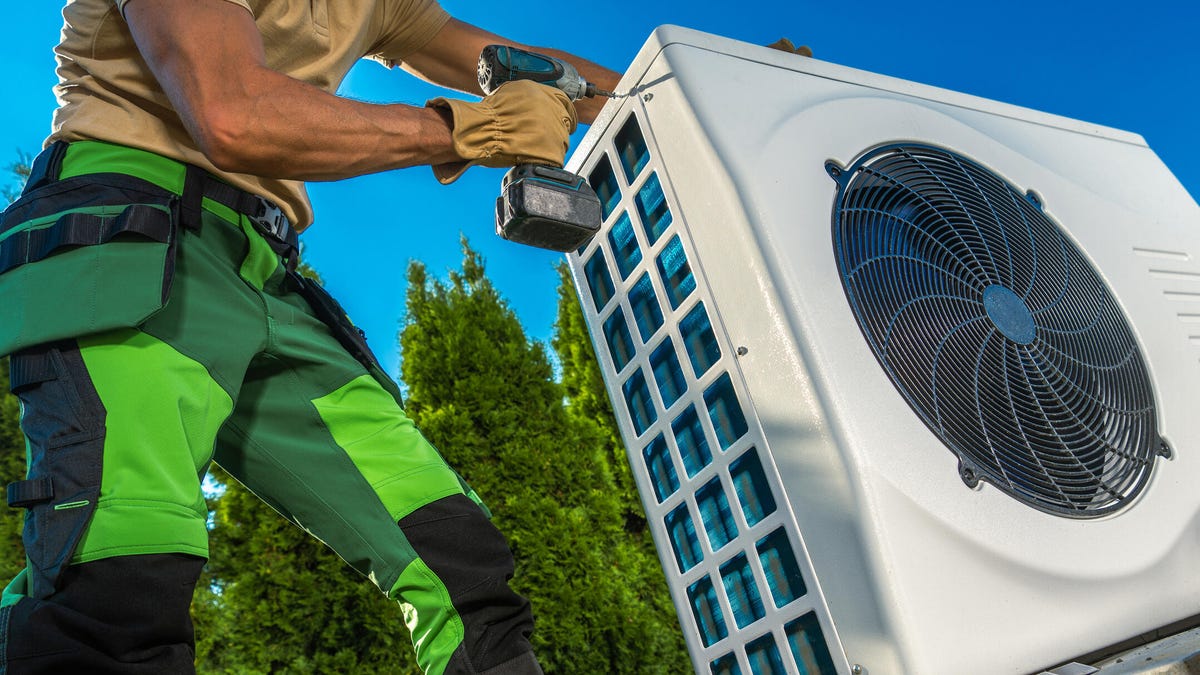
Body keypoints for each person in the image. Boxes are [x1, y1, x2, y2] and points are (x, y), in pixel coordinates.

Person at [0, 1, 619, 673]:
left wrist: (677, 79)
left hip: (267, 271)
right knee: (119, 578)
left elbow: (538, 68)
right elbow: (231, 114)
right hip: (132, 235)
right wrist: (463, 129)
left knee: (458, 561)